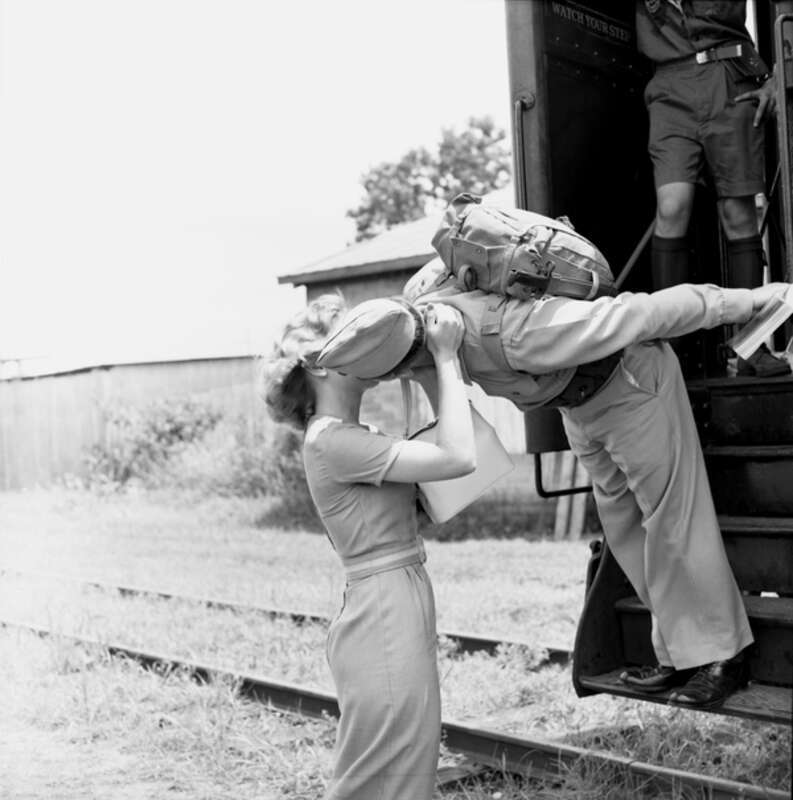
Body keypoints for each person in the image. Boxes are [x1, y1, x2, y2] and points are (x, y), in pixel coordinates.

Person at [317, 257, 793, 709]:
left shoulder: (516, 333)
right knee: (624, 530)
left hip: (632, 384)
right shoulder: (426, 326)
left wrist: (746, 302)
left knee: (672, 518)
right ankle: (678, 651)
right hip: (578, 405)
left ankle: (722, 653)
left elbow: (643, 312)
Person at [260, 293, 475, 800]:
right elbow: (460, 457)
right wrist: (445, 359)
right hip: (382, 610)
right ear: (321, 363)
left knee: (405, 770)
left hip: (396, 597)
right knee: (380, 776)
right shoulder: (332, 442)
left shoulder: (354, 436)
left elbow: (456, 482)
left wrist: (426, 366)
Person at [636, 0, 790, 377]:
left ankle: (750, 347)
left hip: (729, 78)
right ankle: (668, 348)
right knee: (671, 207)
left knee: (737, 214)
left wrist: (777, 78)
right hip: (670, 85)